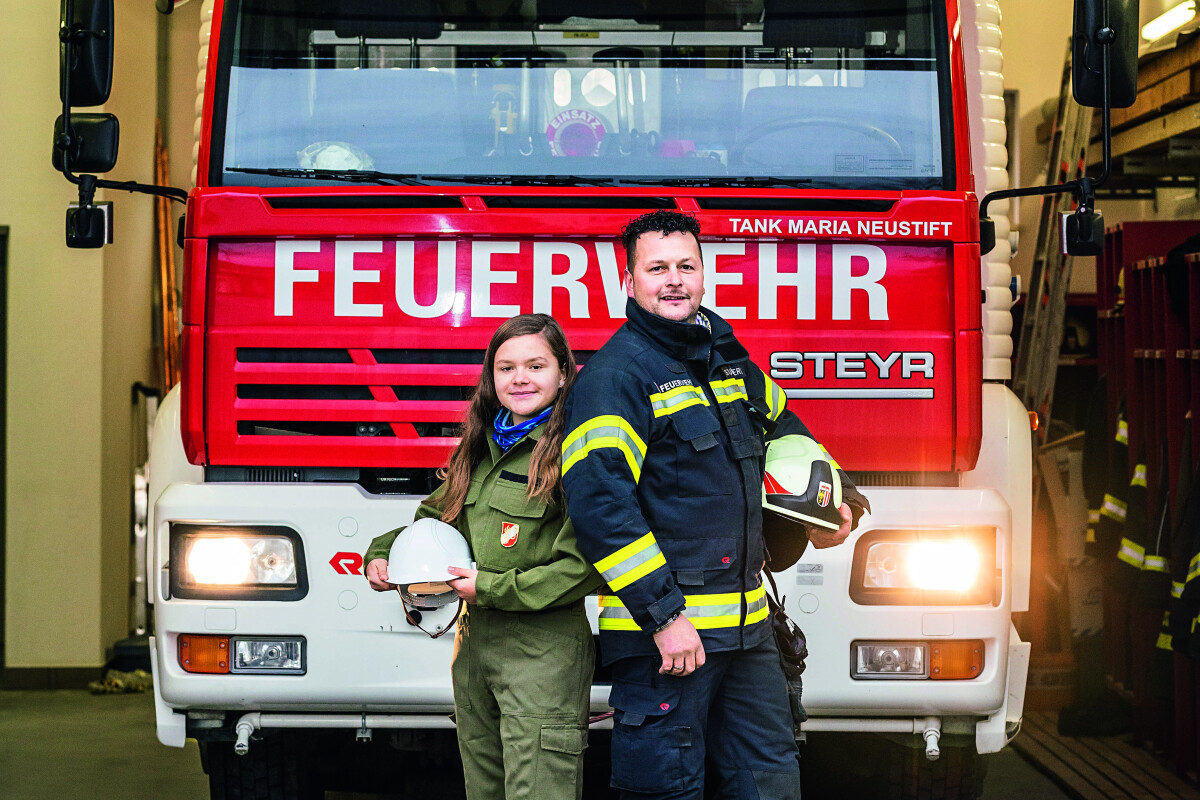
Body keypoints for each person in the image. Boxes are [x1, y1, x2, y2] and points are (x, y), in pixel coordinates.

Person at [561, 210, 868, 800]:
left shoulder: (725, 357)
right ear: (629, 283)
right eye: (657, 268)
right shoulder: (616, 377)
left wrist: (838, 501)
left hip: (750, 636)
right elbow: (602, 507)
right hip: (668, 644)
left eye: (686, 266)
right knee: (666, 790)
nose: (673, 279)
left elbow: (788, 432)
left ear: (704, 274)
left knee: (768, 783)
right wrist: (665, 618)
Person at [364, 313, 602, 800]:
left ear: (563, 372)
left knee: (540, 790)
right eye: (506, 367)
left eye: (536, 366)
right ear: (490, 378)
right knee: (484, 790)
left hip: (542, 654)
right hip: (474, 650)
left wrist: (489, 587)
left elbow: (584, 566)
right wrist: (386, 555)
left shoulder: (578, 451)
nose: (520, 379)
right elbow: (433, 520)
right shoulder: (478, 445)